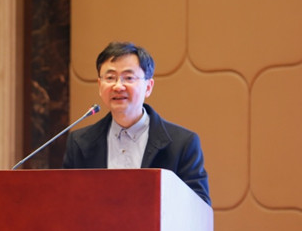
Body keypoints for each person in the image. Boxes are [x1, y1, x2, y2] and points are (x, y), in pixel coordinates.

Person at [63, 41, 211, 205]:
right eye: (110, 78)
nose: (118, 86)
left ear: (148, 87)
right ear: (100, 85)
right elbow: (66, 203)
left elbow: (199, 207)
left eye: (128, 78)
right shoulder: (79, 143)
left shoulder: (182, 144)